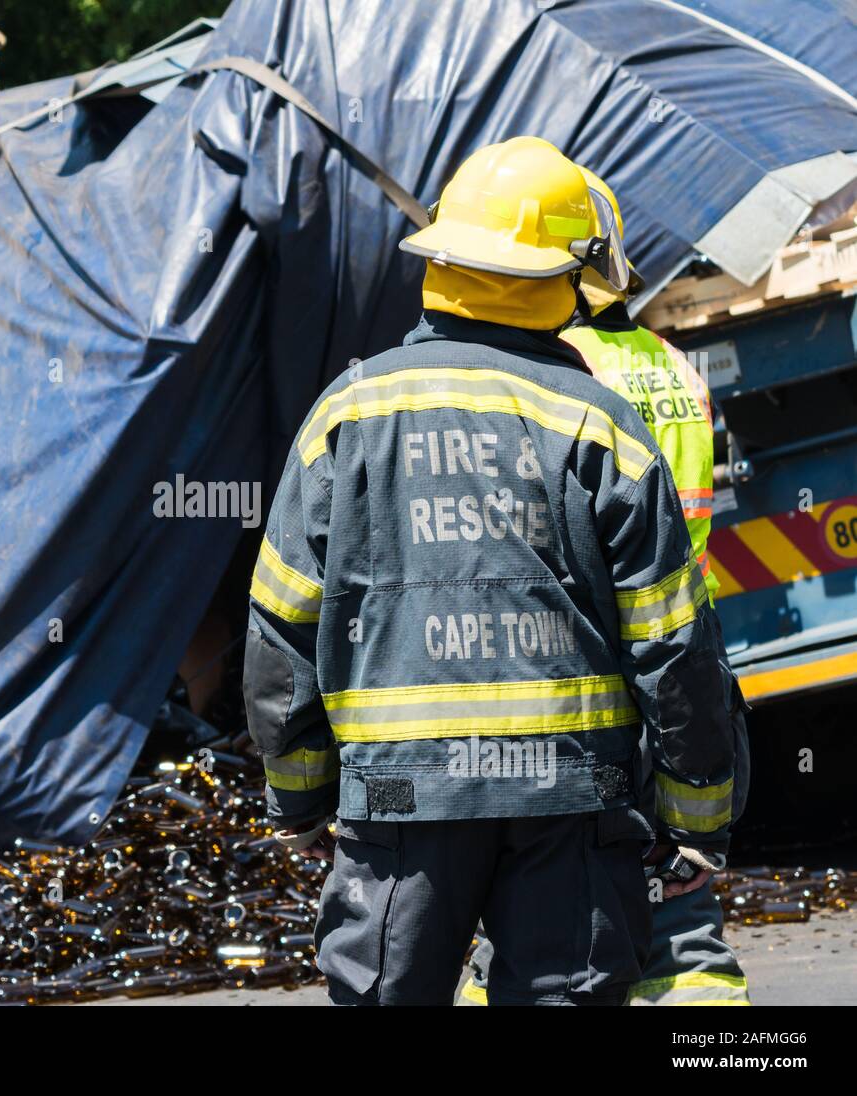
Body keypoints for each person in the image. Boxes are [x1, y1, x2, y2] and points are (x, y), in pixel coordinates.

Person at [242, 136, 738, 1005]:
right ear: (564, 278)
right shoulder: (602, 425)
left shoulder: (348, 417)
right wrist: (696, 816)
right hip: (571, 800)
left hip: (397, 801)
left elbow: (280, 635)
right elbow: (675, 647)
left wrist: (308, 797)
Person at [463, 166, 751, 1007]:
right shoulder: (668, 359)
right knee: (684, 917)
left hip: (590, 667)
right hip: (685, 647)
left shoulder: (562, 368)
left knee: (532, 928)